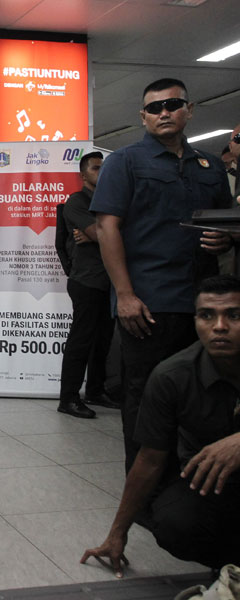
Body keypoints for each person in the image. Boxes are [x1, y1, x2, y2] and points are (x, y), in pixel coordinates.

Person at [91, 78, 233, 471]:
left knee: (204, 394)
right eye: (154, 108)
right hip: (150, 303)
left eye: (172, 104)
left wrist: (226, 239)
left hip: (205, 304)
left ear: (189, 109)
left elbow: (227, 223)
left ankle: (193, 479)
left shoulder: (212, 165)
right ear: (143, 116)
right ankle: (146, 496)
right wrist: (125, 296)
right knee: (145, 396)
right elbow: (107, 228)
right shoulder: (125, 161)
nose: (164, 113)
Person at [81, 274, 240, 576]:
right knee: (173, 522)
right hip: (214, 485)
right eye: (207, 315)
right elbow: (150, 459)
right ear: (196, 321)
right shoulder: (172, 377)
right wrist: (117, 533)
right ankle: (229, 566)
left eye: (234, 315)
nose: (220, 326)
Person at [57, 151, 120, 418]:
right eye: (96, 168)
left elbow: (110, 232)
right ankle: (68, 398)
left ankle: (95, 390)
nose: (101, 172)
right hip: (87, 280)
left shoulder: (112, 202)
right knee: (81, 340)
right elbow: (104, 233)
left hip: (110, 281)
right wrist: (100, 233)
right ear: (83, 175)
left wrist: (100, 233)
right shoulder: (77, 201)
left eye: (104, 168)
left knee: (103, 340)